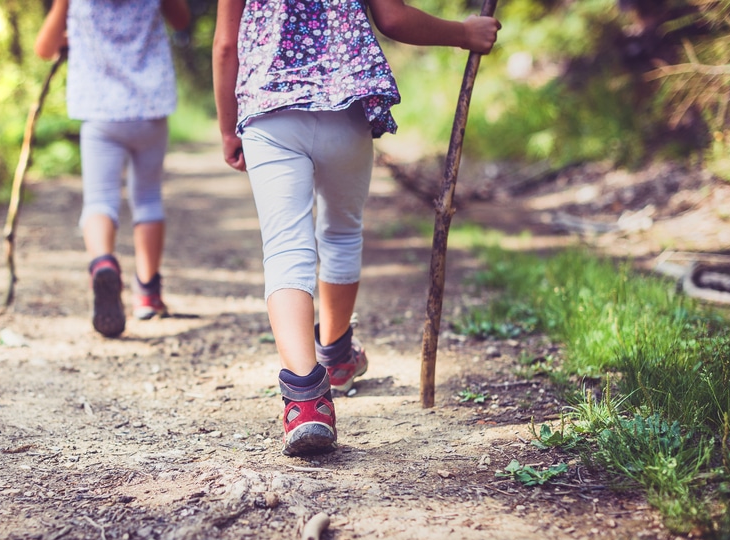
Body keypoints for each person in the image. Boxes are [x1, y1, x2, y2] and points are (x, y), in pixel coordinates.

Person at [213, 0, 500, 455]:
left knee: (286, 247)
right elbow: (392, 17)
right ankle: (337, 355)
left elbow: (227, 45)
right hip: (343, 108)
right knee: (341, 232)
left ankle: (306, 400)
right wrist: (464, 33)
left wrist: (229, 128)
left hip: (269, 112)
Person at [35, 0, 191, 338]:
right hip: (150, 108)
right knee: (148, 198)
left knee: (99, 200)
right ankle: (148, 294)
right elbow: (181, 20)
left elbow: (44, 48)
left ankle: (103, 262)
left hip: (100, 112)